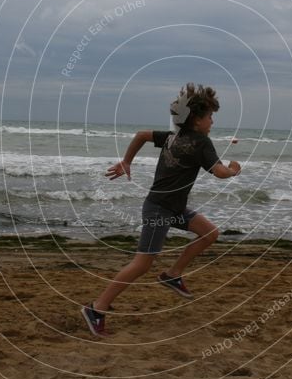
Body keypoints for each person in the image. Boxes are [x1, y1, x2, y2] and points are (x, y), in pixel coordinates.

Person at [82, 83, 241, 337]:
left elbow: (141, 135)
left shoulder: (172, 137)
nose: (212, 121)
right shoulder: (201, 143)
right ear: (196, 120)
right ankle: (96, 308)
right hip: (159, 210)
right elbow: (220, 173)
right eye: (210, 116)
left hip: (171, 207)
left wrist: (126, 161)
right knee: (142, 264)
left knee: (210, 233)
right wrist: (234, 168)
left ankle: (172, 274)